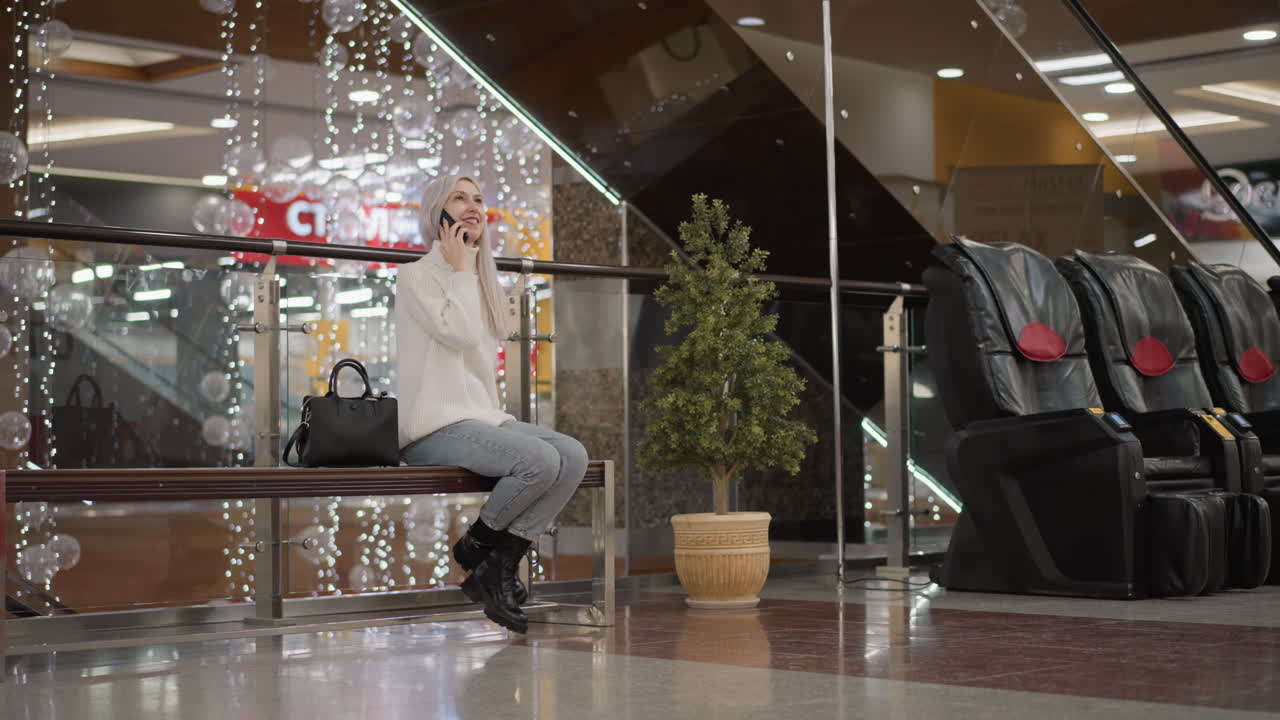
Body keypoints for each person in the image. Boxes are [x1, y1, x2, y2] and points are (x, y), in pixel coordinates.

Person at [395, 174, 588, 634]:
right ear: (437, 214)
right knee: (540, 460)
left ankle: (490, 559)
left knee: (574, 456)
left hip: (481, 417)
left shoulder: (481, 277)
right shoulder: (416, 276)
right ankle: (485, 557)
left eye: (478, 199)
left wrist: (472, 269)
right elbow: (458, 334)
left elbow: (488, 344)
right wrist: (461, 268)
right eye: (458, 198)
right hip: (430, 426)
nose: (472, 206)